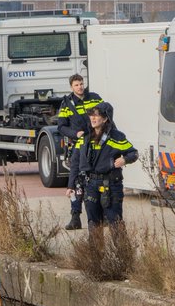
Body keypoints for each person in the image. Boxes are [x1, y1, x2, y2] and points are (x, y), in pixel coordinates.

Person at [68, 102, 138, 227]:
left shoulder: (117, 137)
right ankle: (95, 247)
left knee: (115, 223)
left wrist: (124, 160)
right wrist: (71, 186)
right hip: (90, 185)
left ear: (105, 118)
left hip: (111, 185)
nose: (93, 118)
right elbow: (75, 163)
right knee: (93, 224)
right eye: (91, 115)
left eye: (96, 115)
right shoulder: (85, 138)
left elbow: (134, 153)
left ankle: (121, 248)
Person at [55, 73, 104, 230]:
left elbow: (106, 115)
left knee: (99, 179)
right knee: (76, 181)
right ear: (71, 87)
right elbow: (61, 126)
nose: (80, 87)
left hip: (95, 143)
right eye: (76, 85)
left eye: (81, 83)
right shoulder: (67, 104)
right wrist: (75, 134)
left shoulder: (95, 98)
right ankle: (75, 217)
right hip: (78, 144)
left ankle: (101, 216)